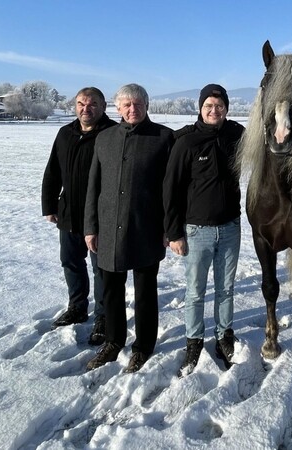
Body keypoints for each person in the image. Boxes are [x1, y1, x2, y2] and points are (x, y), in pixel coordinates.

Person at [83, 83, 174, 373]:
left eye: (137, 104)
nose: (132, 109)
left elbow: (171, 190)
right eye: (126, 105)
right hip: (108, 227)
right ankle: (113, 341)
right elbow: (93, 187)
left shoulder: (164, 137)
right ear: (117, 108)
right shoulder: (105, 138)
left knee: (145, 291)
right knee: (111, 289)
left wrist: (169, 228)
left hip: (146, 227)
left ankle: (144, 345)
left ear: (147, 106)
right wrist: (90, 227)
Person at [163, 84, 245, 377]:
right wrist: (173, 233)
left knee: (226, 289)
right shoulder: (186, 142)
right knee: (196, 292)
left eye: (219, 106)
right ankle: (194, 341)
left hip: (231, 227)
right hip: (197, 231)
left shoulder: (237, 136)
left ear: (226, 108)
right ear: (200, 108)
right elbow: (170, 190)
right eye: (209, 105)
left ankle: (224, 336)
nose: (214, 110)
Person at [41, 87, 116, 345]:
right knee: (71, 262)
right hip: (69, 213)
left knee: (102, 269)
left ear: (104, 106)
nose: (86, 109)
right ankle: (77, 306)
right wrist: (49, 206)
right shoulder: (65, 133)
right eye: (82, 104)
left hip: (100, 217)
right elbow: (52, 172)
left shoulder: (113, 134)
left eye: (92, 104)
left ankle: (104, 316)